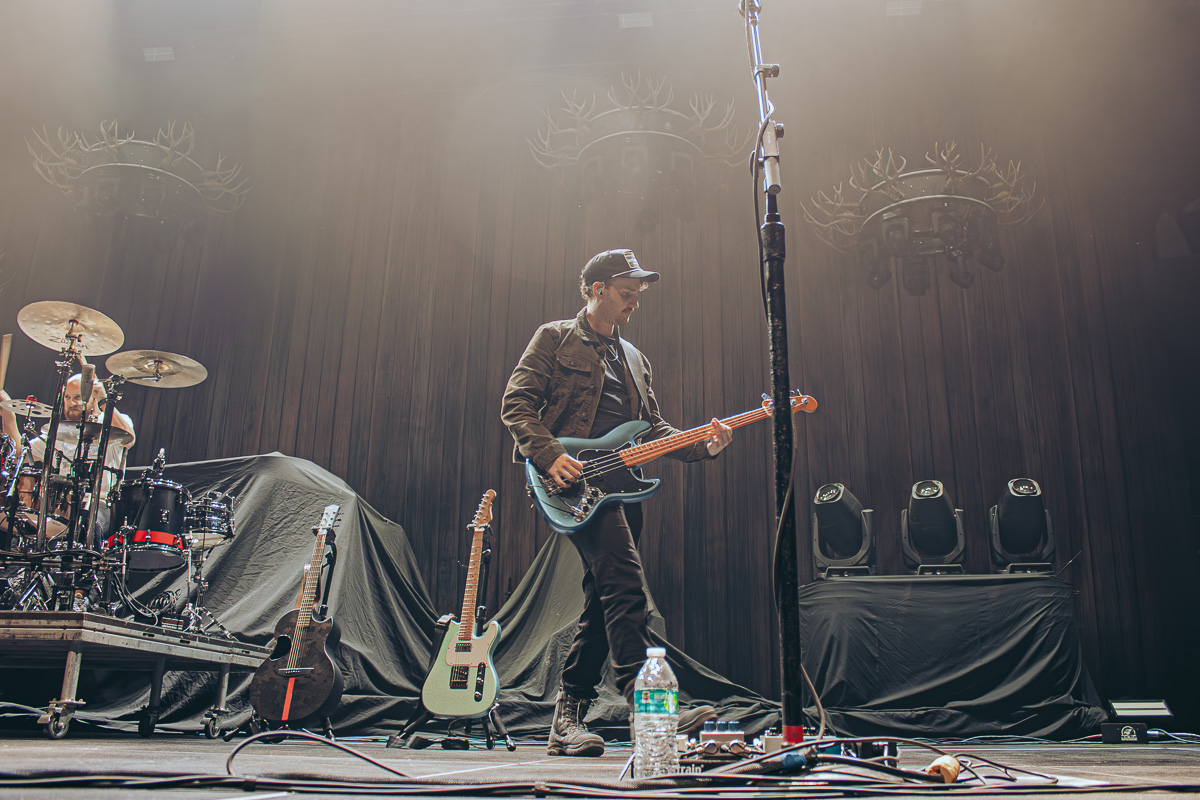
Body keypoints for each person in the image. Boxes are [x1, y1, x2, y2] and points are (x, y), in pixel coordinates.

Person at [502, 249, 732, 757]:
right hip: (575, 483)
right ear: (597, 289)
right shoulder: (554, 337)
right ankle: (650, 706)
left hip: (623, 486)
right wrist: (550, 455)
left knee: (604, 599)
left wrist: (704, 445)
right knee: (626, 589)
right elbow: (516, 404)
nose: (634, 302)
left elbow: (652, 428)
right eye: (626, 292)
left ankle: (566, 720)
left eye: (638, 294)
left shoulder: (634, 358)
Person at [0, 368, 135, 547]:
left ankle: (88, 564)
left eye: (78, 397)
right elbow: (20, 454)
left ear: (93, 398)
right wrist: (8, 414)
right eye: (67, 397)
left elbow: (128, 438)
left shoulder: (110, 421)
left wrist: (104, 401)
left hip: (99, 503)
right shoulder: (58, 431)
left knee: (89, 525)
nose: (71, 403)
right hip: (59, 505)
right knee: (18, 524)